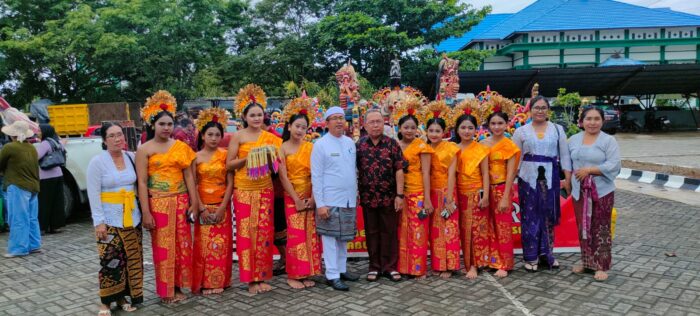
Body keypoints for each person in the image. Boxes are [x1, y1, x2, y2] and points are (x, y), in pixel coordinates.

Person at [135, 91, 198, 304]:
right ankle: (166, 290)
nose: (166, 128)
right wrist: (145, 212)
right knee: (163, 248)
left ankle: (179, 286)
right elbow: (142, 182)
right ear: (153, 125)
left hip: (180, 202)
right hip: (158, 204)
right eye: (162, 124)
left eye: (170, 124)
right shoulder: (144, 150)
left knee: (182, 246)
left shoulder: (181, 147)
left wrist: (194, 202)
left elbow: (189, 176)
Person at [226, 84, 282, 294]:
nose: (257, 118)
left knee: (264, 235)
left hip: (265, 189)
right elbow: (229, 165)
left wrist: (270, 158)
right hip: (244, 191)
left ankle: (263, 276)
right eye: (253, 115)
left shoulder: (271, 138)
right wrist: (248, 158)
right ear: (245, 117)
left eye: (260, 115)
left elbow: (278, 164)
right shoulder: (238, 137)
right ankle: (250, 279)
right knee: (246, 235)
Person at [87, 122, 143, 315]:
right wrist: (99, 222)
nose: (118, 139)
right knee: (110, 260)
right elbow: (93, 194)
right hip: (109, 220)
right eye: (112, 136)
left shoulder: (131, 157)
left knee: (130, 260)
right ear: (104, 140)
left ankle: (122, 297)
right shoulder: (97, 162)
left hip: (132, 217)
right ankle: (105, 302)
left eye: (120, 134)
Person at [512, 95, 572, 272]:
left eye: (543, 108)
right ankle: (531, 257)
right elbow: (516, 159)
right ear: (530, 110)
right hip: (527, 179)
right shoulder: (521, 132)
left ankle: (547, 255)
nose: (540, 111)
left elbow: (565, 156)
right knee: (529, 217)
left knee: (548, 215)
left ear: (548, 110)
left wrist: (567, 179)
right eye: (536, 108)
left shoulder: (558, 130)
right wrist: (511, 181)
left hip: (551, 177)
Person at [569, 107, 621, 282]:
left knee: (601, 227)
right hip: (579, 191)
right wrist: (566, 181)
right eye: (588, 119)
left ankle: (601, 265)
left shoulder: (608, 140)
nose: (592, 122)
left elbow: (614, 164)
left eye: (596, 119)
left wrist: (591, 170)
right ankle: (587, 262)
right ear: (582, 121)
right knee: (583, 227)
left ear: (602, 121)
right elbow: (568, 163)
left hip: (602, 191)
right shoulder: (573, 140)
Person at [311, 106, 359, 291]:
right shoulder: (320, 145)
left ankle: (341, 269)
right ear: (327, 123)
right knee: (330, 239)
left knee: (343, 238)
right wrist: (320, 204)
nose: (339, 121)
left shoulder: (349, 143)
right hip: (329, 200)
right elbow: (317, 176)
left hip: (348, 199)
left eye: (341, 118)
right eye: (335, 118)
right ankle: (332, 275)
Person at [277, 97, 322, 289]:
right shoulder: (282, 148)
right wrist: (296, 199)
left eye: (304, 127)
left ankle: (307, 271)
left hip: (310, 195)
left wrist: (313, 198)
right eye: (297, 126)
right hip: (292, 197)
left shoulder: (311, 148)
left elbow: (317, 175)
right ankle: (293, 275)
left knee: (310, 234)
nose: (300, 130)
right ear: (289, 125)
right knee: (295, 236)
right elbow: (283, 177)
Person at [356, 108, 406, 282]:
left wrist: (400, 195)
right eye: (372, 122)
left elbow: (399, 170)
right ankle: (374, 267)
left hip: (389, 197)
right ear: (365, 125)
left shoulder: (392, 144)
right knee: (372, 232)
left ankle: (390, 267)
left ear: (383, 123)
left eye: (379, 121)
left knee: (389, 232)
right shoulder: (359, 145)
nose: (376, 125)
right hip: (368, 197)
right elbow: (353, 170)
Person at [192, 108, 234, 295]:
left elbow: (230, 182)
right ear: (202, 135)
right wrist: (201, 208)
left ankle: (221, 281)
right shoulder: (194, 157)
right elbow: (192, 184)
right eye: (210, 134)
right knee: (204, 246)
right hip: (203, 206)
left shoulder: (225, 155)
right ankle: (205, 283)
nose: (214, 138)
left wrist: (223, 207)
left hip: (221, 205)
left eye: (218, 135)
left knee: (222, 246)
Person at [393, 97, 434, 279]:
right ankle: (403, 267)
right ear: (399, 129)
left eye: (412, 127)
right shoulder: (395, 146)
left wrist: (426, 198)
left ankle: (418, 269)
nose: (409, 130)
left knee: (418, 232)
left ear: (417, 129)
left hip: (417, 193)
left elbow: (426, 173)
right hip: (400, 194)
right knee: (402, 232)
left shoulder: (422, 147)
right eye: (405, 127)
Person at [450, 103, 491, 280]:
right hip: (458, 194)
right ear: (457, 129)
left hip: (476, 193)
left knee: (475, 231)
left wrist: (486, 195)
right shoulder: (453, 149)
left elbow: (485, 173)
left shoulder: (481, 148)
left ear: (476, 129)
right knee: (461, 230)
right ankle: (462, 263)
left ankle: (474, 264)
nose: (467, 131)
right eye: (463, 127)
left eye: (470, 128)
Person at [424, 101, 460, 279]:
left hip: (447, 191)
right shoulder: (425, 149)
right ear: (426, 132)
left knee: (449, 230)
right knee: (435, 231)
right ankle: (438, 264)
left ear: (444, 132)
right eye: (431, 131)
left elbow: (452, 175)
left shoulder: (451, 148)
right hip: (431, 193)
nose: (434, 134)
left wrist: (449, 198)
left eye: (437, 131)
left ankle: (450, 265)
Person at [482, 110, 520, 278]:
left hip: (502, 188)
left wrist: (505, 196)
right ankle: (492, 260)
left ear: (506, 125)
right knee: (488, 226)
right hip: (485, 189)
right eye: (493, 124)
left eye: (500, 123)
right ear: (488, 125)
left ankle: (505, 263)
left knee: (503, 227)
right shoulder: (483, 144)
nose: (496, 127)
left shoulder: (510, 146)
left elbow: (511, 173)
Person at [0, 121, 41, 258]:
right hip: (33, 186)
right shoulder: (31, 148)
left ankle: (19, 248)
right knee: (31, 218)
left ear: (12, 134)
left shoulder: (10, 147)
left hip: (18, 186)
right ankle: (34, 245)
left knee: (18, 218)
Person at [36, 123, 66, 234]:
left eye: (39, 131)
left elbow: (36, 156)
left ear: (45, 132)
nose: (37, 132)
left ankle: (42, 227)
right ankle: (56, 226)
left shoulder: (44, 144)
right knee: (57, 201)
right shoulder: (56, 141)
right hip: (58, 174)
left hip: (45, 176)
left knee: (44, 202)